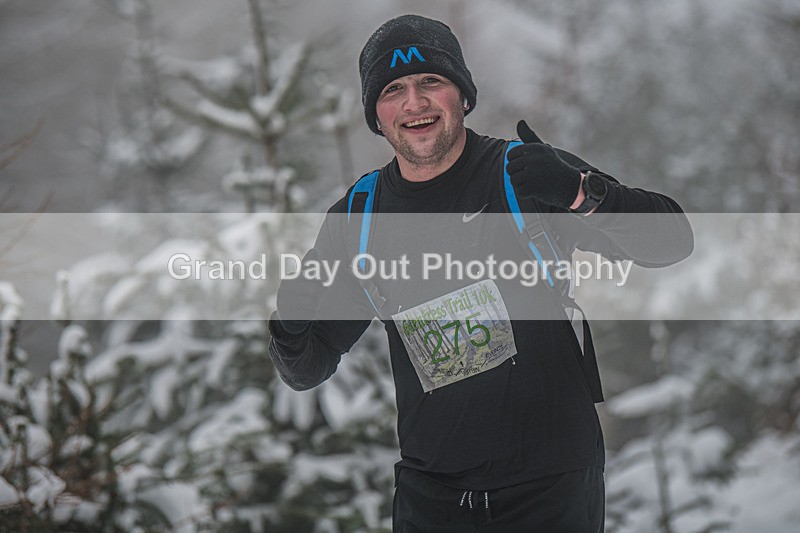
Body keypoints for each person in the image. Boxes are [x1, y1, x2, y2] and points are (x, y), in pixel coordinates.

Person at [269, 14, 693, 532]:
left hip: (552, 484)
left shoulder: (526, 174)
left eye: (432, 82)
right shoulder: (360, 216)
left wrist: (583, 194)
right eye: (394, 90)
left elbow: (673, 240)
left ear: (463, 97)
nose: (415, 103)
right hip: (431, 496)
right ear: (376, 116)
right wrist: (289, 328)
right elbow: (309, 367)